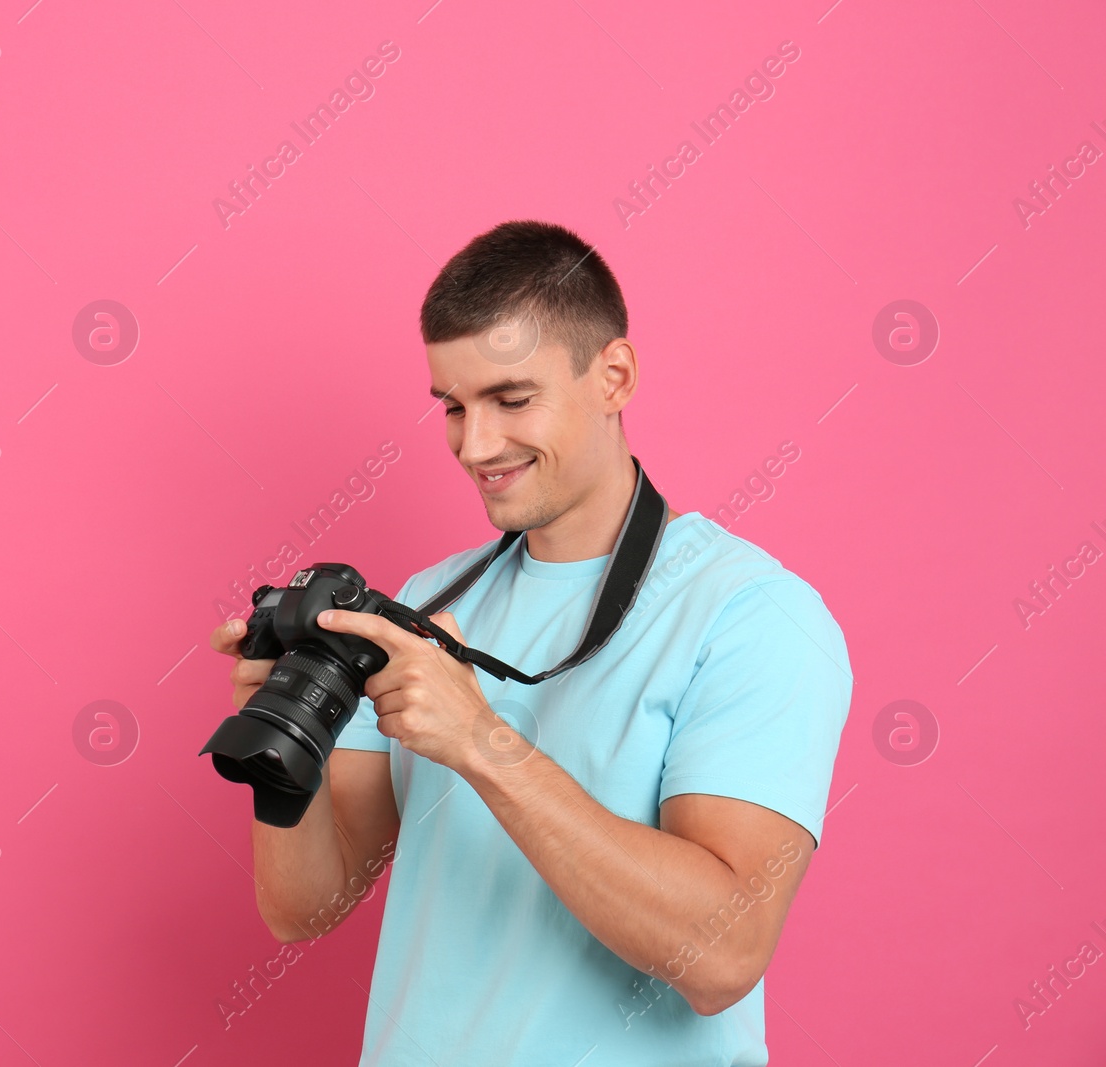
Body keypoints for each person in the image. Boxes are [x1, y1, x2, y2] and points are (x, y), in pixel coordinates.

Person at [209, 219, 852, 1066]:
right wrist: (279, 744)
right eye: (453, 404)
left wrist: (480, 740)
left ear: (613, 375)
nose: (476, 445)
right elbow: (306, 910)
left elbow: (723, 955)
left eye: (512, 399)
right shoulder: (423, 605)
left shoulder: (750, 614)